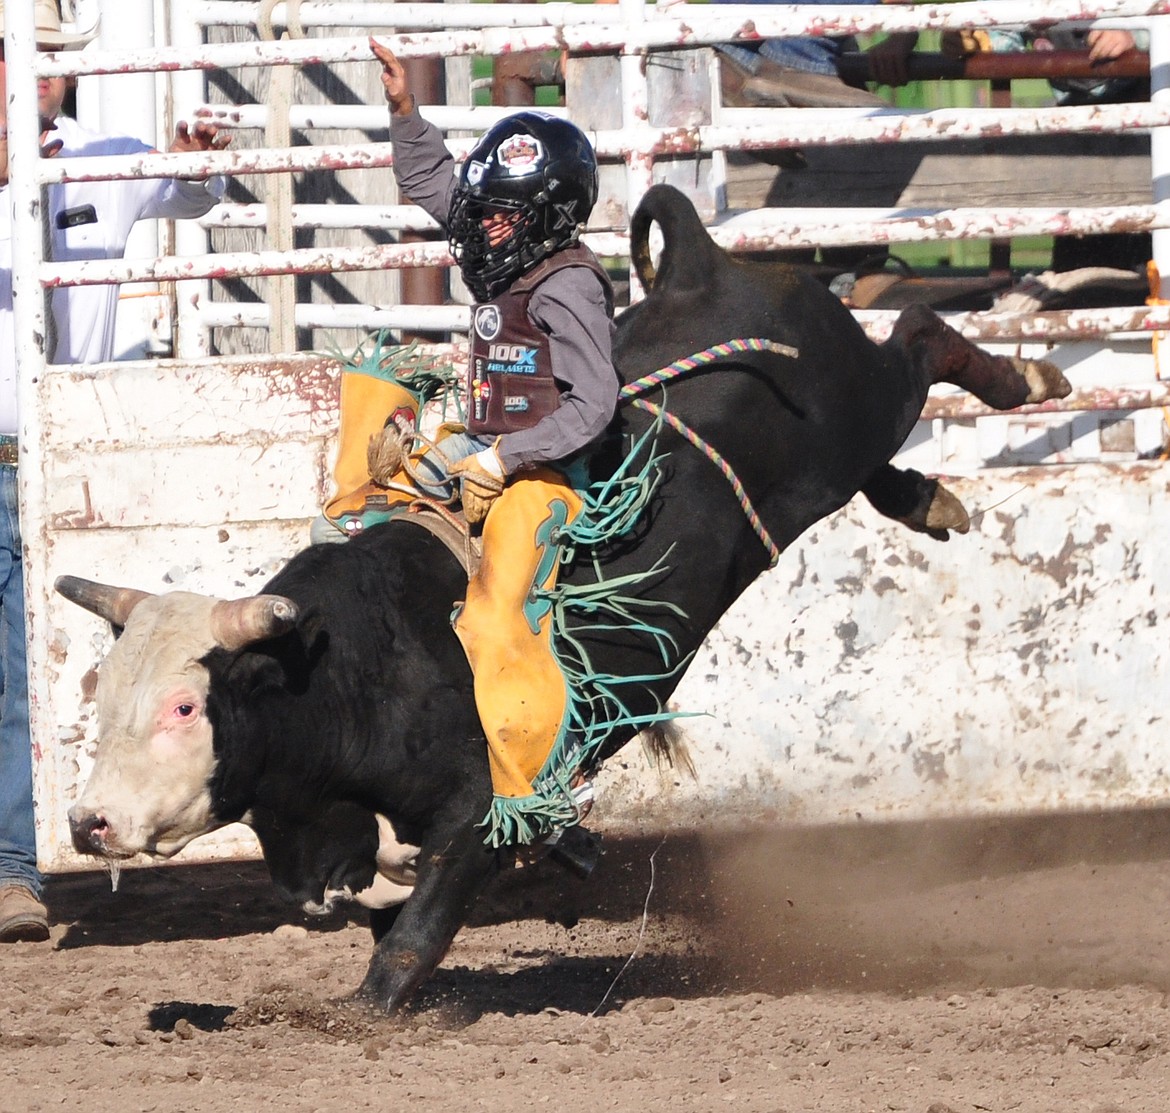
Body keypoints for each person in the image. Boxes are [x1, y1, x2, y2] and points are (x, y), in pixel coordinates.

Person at [0, 0, 229, 943]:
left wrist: (196, 155)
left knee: (27, 670)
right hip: (39, 452)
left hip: (55, 461)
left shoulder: (100, 158)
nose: (36, 74)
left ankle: (14, 869)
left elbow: (192, 193)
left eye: (46, 60)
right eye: (27, 57)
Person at [368, 37, 617, 526]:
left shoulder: (567, 286)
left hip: (554, 466)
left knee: (514, 568)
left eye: (500, 213)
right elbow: (426, 178)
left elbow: (592, 405)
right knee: (363, 519)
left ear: (550, 217)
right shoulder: (501, 240)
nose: (482, 223)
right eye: (481, 209)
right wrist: (402, 107)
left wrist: (503, 460)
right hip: (482, 446)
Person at [714, 0, 920, 109]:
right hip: (795, 47)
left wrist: (902, 20)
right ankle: (800, 57)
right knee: (878, 120)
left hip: (744, 39)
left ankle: (736, 58)